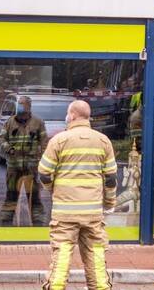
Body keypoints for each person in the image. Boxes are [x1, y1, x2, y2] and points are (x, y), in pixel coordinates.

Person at [37, 100, 116, 290]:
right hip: (93, 213)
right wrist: (109, 202)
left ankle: (55, 287)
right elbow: (111, 178)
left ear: (72, 115)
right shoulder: (103, 141)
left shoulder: (59, 140)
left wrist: (52, 189)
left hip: (65, 213)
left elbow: (44, 172)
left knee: (62, 255)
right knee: (96, 255)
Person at [0, 95, 49, 225]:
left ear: (29, 106)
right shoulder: (10, 122)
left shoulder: (38, 123)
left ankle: (38, 224)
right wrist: (9, 149)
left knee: (34, 198)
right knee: (11, 196)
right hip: (13, 167)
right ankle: (5, 224)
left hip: (31, 168)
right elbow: (2, 138)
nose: (20, 106)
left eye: (22, 104)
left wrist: (42, 161)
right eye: (19, 104)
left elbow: (44, 143)